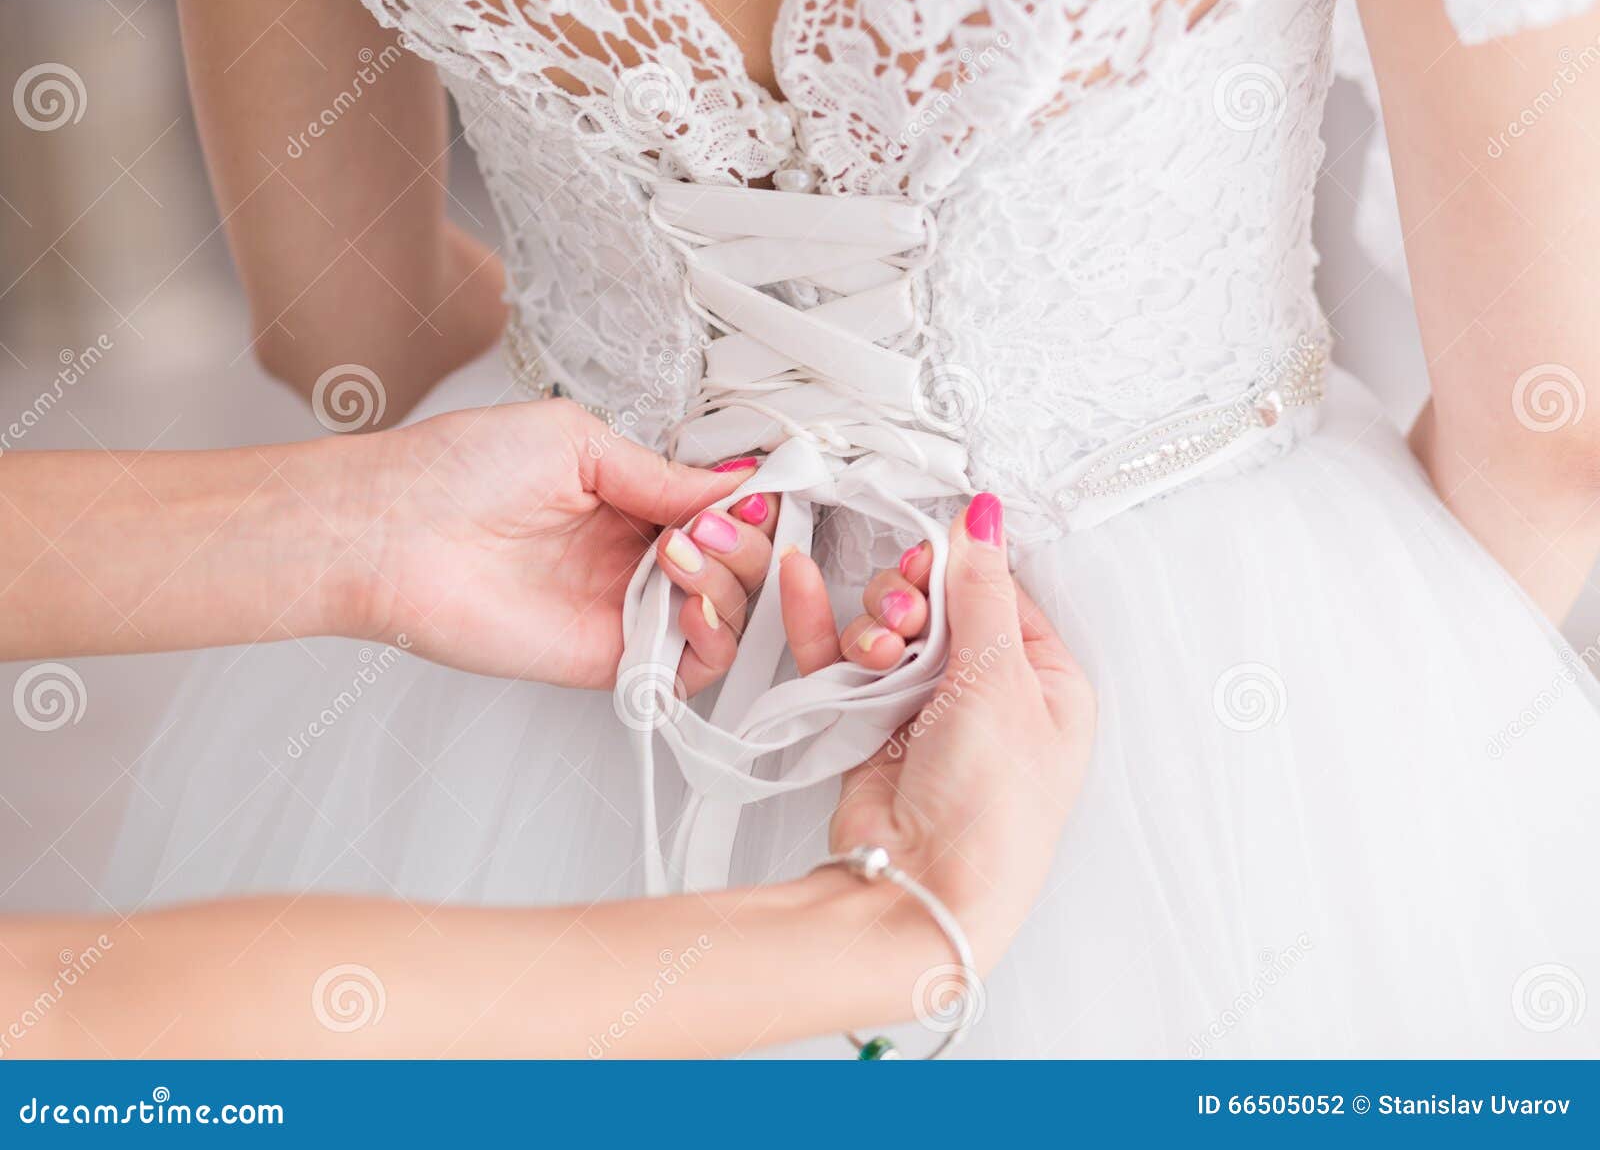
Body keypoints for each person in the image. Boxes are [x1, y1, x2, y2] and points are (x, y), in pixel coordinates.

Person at [93, 0, 1600, 1056]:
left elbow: (337, 324)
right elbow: (1553, 436)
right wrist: (1394, 762)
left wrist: (632, 430)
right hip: (1217, 688)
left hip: (576, 643)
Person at [0, 398, 1094, 1056]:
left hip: (523, 575)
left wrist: (372, 527)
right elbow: (56, 1032)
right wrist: (885, 927)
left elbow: (331, 322)